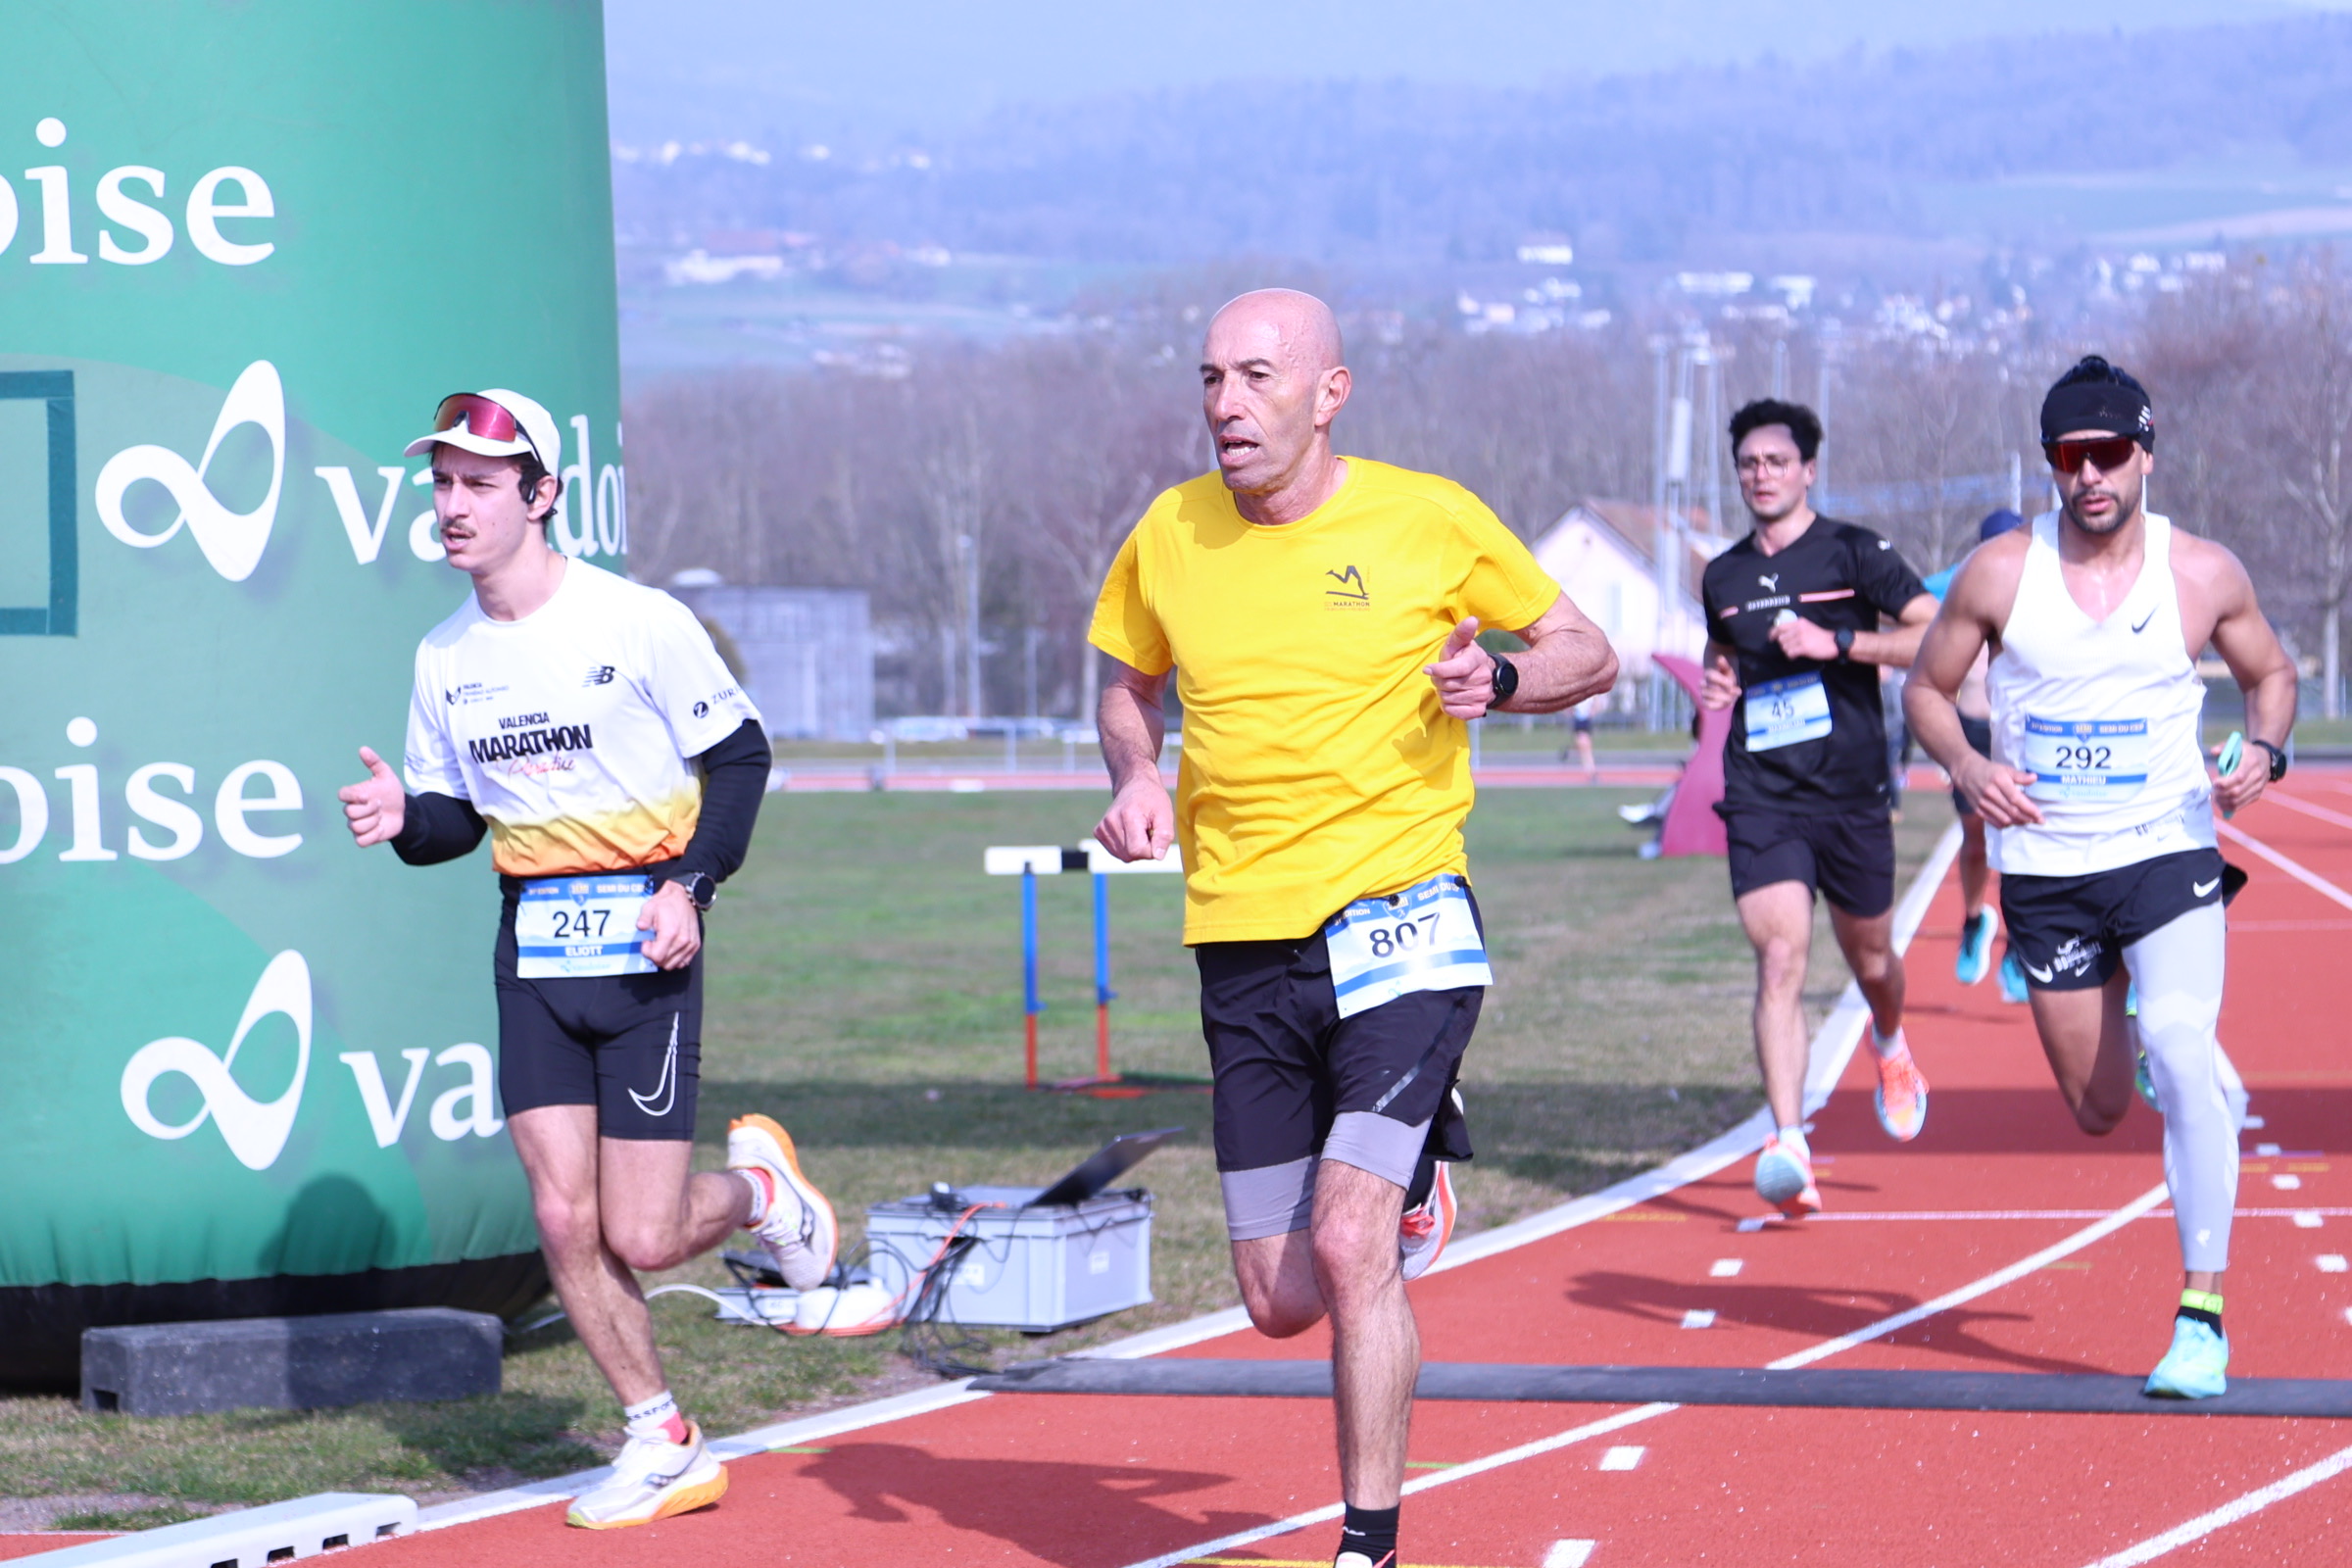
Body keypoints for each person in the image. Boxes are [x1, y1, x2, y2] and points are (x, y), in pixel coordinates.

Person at [1090, 290, 1617, 1568]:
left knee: (1345, 1240)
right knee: (1278, 1297)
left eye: (1256, 376)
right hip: (1240, 937)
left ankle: (1366, 1543)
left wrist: (1499, 677)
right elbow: (1127, 683)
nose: (1225, 404)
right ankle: (1416, 1183)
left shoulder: (1427, 518)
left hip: (1402, 917)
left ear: (1330, 394)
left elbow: (1586, 650)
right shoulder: (1169, 532)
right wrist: (1136, 772)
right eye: (1210, 378)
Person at [336, 390, 839, 1527]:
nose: (453, 504)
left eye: (479, 483)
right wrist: (403, 818)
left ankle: (761, 1193)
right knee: (564, 1219)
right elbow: (455, 821)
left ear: (542, 495)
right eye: (442, 483)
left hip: (647, 949)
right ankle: (661, 1435)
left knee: (643, 1234)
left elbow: (742, 757)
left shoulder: (637, 620)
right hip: (533, 952)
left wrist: (691, 886)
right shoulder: (443, 656)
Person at [1907, 355, 2296, 1398]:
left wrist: (2265, 752)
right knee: (2098, 1108)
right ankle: (2147, 1029)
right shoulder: (2001, 572)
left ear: (2145, 455)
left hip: (2167, 847)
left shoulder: (2200, 573)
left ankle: (2201, 1320)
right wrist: (1970, 768)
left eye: (2109, 453)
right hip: (2048, 870)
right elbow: (1927, 690)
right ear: (2051, 462)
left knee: (2180, 1042)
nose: (2090, 474)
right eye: (2070, 456)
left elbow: (2272, 673)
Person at [1697, 399, 1939, 1219]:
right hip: (1762, 794)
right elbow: (1722, 648)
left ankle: (1890, 1041)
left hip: (1850, 792)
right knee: (1779, 961)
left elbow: (1933, 634)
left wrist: (1839, 643)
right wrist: (1719, 679)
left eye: (1776, 461)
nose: (1761, 475)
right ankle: (1790, 1143)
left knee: (1872, 962)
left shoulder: (1855, 551)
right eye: (1748, 463)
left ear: (1807, 470)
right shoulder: (1723, 576)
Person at [1923, 509, 2027, 989]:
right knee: (1976, 836)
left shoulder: (2042, 586)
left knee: (2019, 837)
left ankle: (2019, 944)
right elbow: (1902, 600)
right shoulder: (1960, 583)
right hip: (1971, 726)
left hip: (2021, 731)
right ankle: (1973, 920)